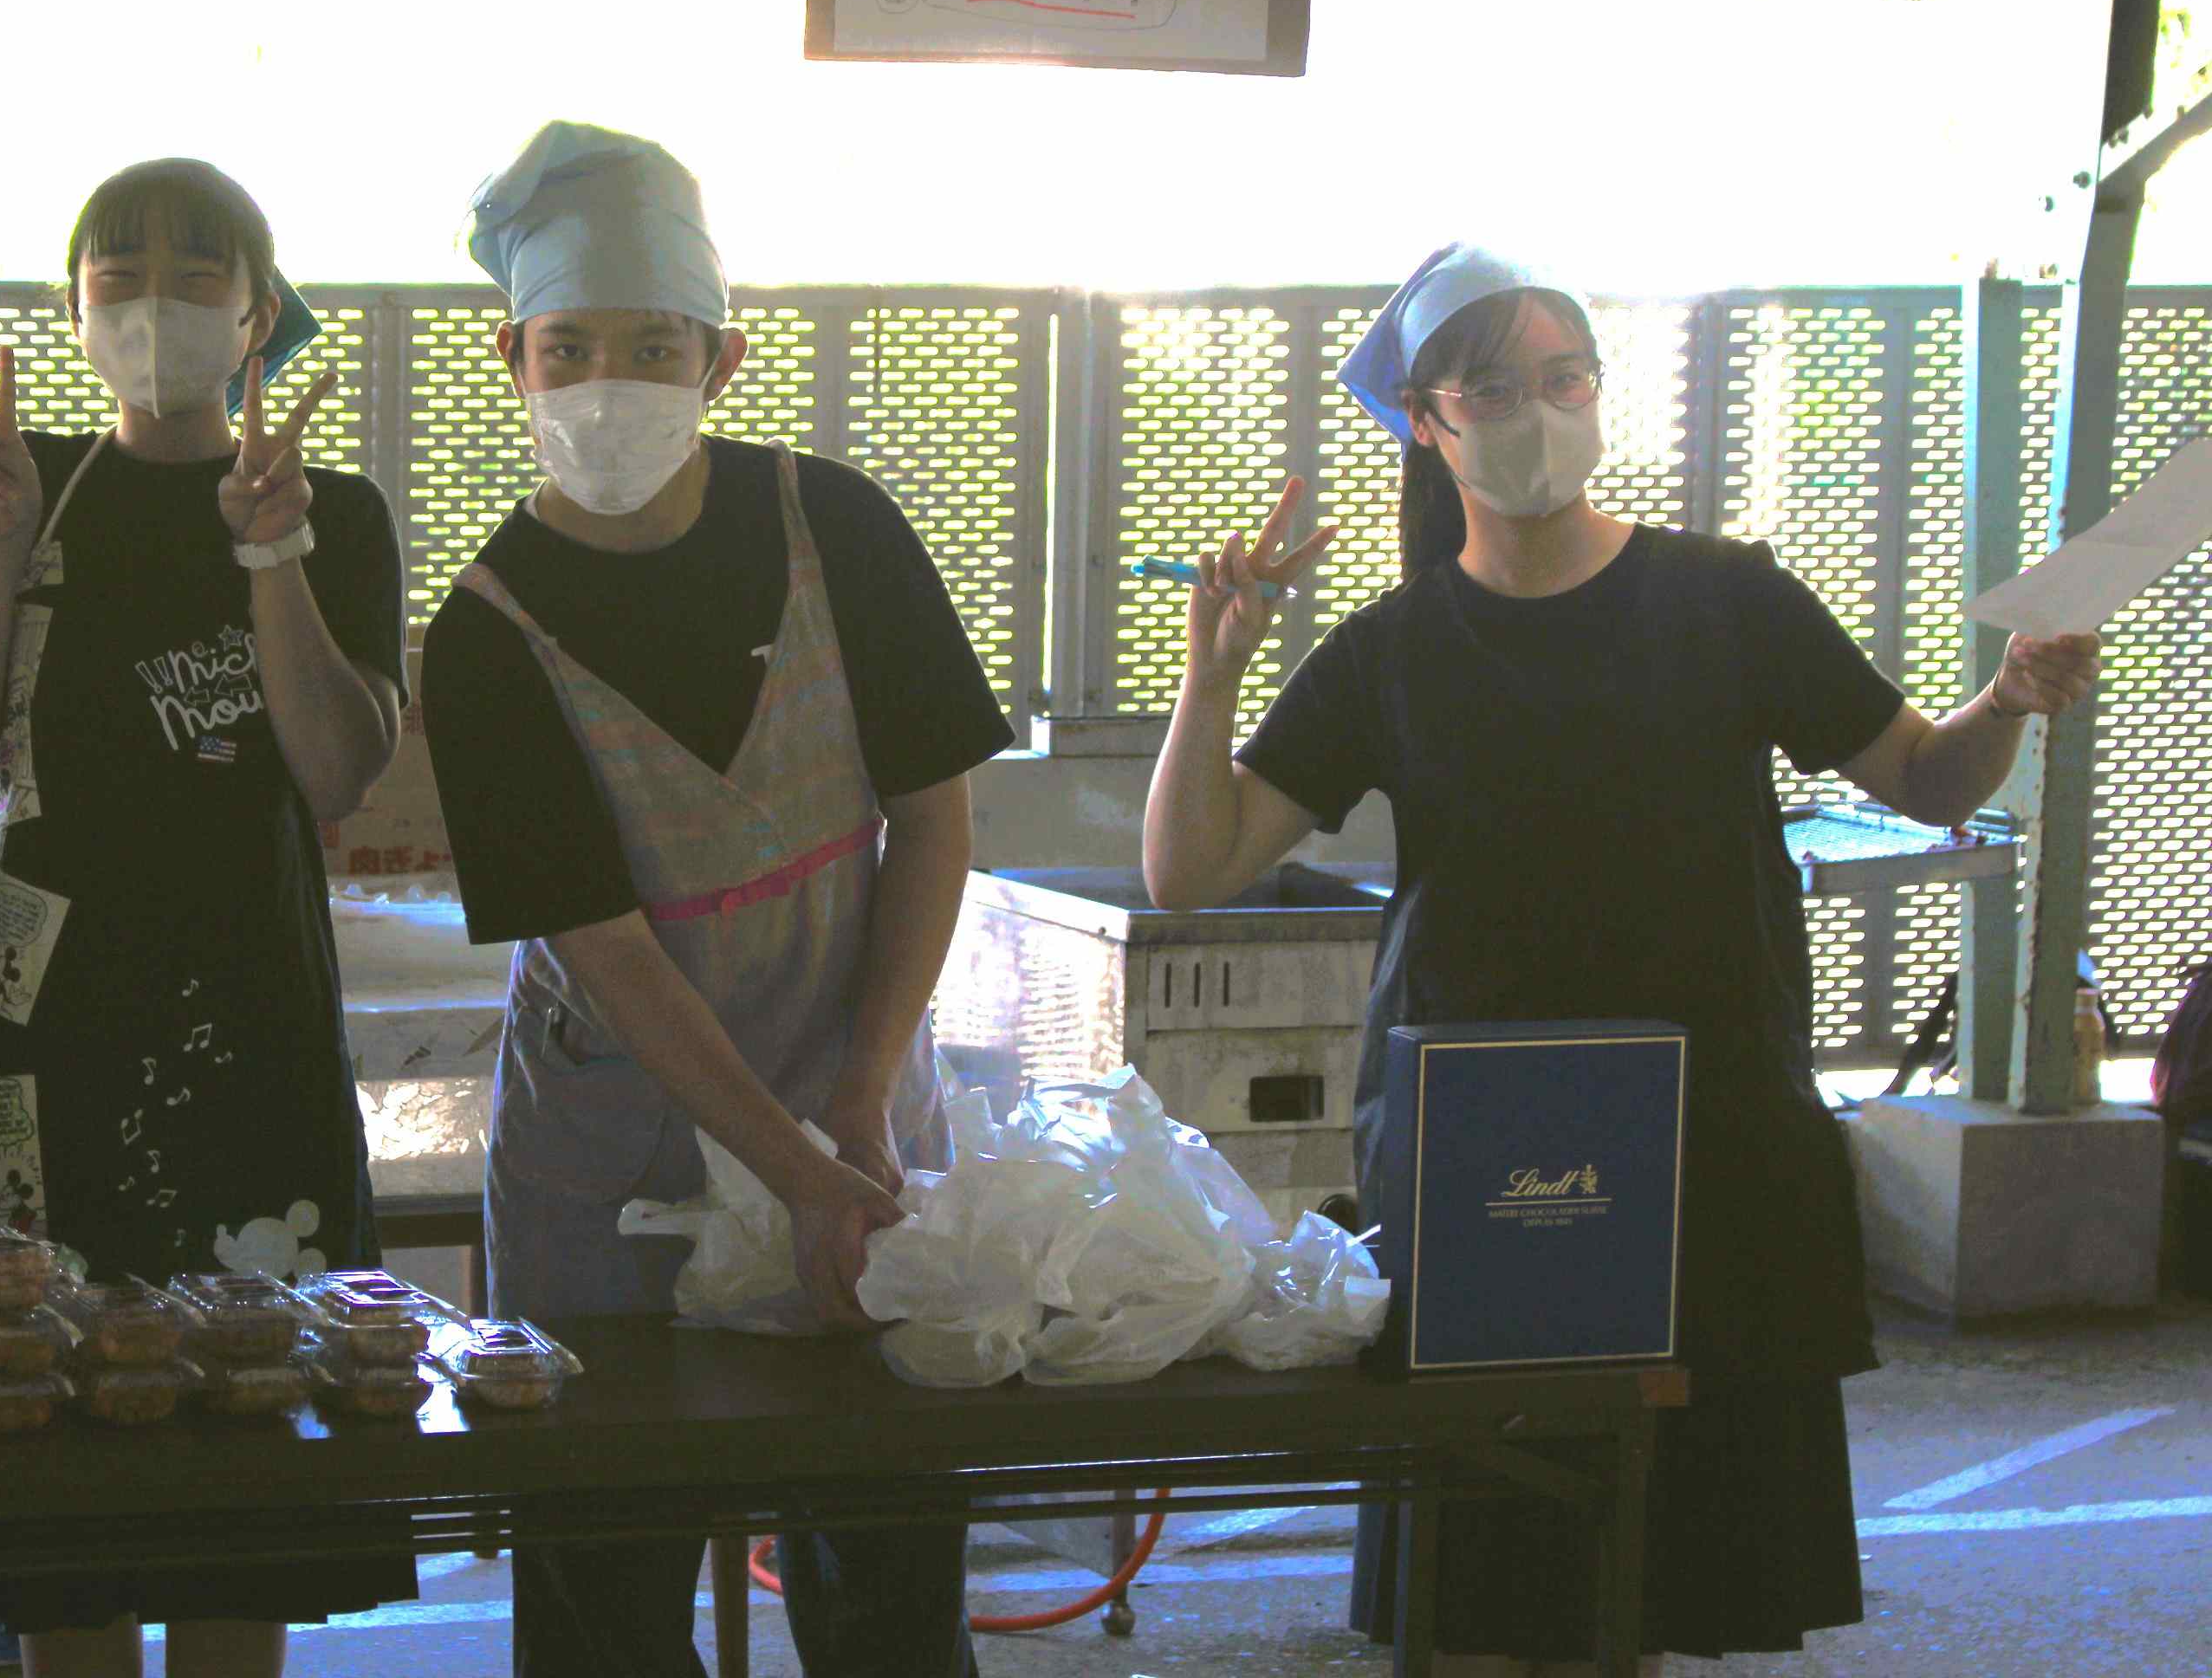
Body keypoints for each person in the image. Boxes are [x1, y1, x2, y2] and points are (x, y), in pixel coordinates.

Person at [1141, 243, 2102, 1676]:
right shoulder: (1391, 648)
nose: (1536, 412)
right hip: (1480, 1146)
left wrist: (2007, 698)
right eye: (1491, 388)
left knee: (1657, 1571)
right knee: (1478, 1574)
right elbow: (1191, 869)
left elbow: (1924, 778)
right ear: (1426, 423)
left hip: (1710, 1130)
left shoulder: (1730, 598)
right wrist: (1212, 671)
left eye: (1564, 377)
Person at [421, 120, 1012, 1678]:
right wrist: (793, 1168)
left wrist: (857, 1105)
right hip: (609, 1151)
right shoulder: (485, 636)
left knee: (887, 1574)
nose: (606, 381)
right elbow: (611, 953)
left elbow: (932, 822)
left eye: (653, 346)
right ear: (513, 361)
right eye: (568, 348)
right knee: (607, 1592)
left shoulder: (839, 530)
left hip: (855, 1083)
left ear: (722, 360)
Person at [0, 157, 412, 1677]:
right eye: (118, 275)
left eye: (198, 275)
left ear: (259, 315)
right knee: (46, 1444)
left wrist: (272, 556)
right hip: (37, 1031)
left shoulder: (331, 509)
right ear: (73, 311)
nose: (153, 305)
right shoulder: (17, 488)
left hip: (248, 1021)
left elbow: (339, 768)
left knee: (247, 1437)